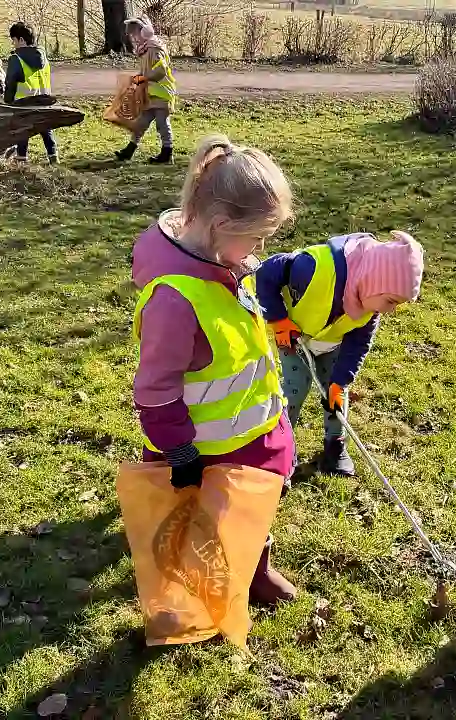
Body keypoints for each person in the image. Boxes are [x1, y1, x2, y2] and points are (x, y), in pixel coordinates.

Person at [132, 135, 298, 605]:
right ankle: (200, 591)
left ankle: (255, 568)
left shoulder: (228, 261)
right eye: (257, 236)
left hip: (255, 432)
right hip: (207, 449)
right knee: (206, 526)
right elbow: (155, 390)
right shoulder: (174, 300)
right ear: (221, 224)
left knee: (257, 508)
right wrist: (179, 450)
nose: (260, 249)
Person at [255, 232, 424, 476]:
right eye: (391, 301)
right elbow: (267, 272)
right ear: (374, 281)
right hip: (295, 340)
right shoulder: (312, 267)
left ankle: (334, 445)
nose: (391, 311)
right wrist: (278, 319)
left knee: (335, 393)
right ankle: (281, 448)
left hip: (331, 345)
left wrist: (341, 380)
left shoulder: (369, 309)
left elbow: (358, 344)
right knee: (294, 391)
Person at [114, 16, 177, 165]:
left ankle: (167, 154)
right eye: (132, 34)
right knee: (140, 124)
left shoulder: (154, 48)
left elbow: (160, 71)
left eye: (135, 33)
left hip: (162, 93)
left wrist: (143, 78)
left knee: (162, 124)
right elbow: (148, 72)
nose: (133, 37)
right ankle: (128, 151)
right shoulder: (145, 49)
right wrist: (137, 78)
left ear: (144, 31)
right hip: (150, 95)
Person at [4, 22, 57, 164]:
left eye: (14, 40)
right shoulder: (43, 56)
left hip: (24, 103)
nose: (13, 44)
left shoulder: (16, 59)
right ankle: (54, 160)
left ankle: (21, 162)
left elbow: (10, 83)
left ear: (21, 40)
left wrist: (8, 101)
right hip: (45, 100)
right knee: (46, 129)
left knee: (22, 132)